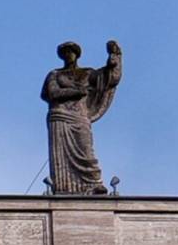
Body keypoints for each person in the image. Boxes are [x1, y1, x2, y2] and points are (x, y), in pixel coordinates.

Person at [41, 40, 121, 195]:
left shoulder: (87, 73)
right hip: (60, 116)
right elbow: (51, 93)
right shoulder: (55, 74)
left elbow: (110, 78)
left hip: (79, 116)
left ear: (76, 55)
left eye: (71, 52)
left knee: (86, 151)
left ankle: (94, 184)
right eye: (65, 53)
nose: (68, 55)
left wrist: (115, 57)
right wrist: (77, 92)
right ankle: (64, 187)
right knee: (61, 158)